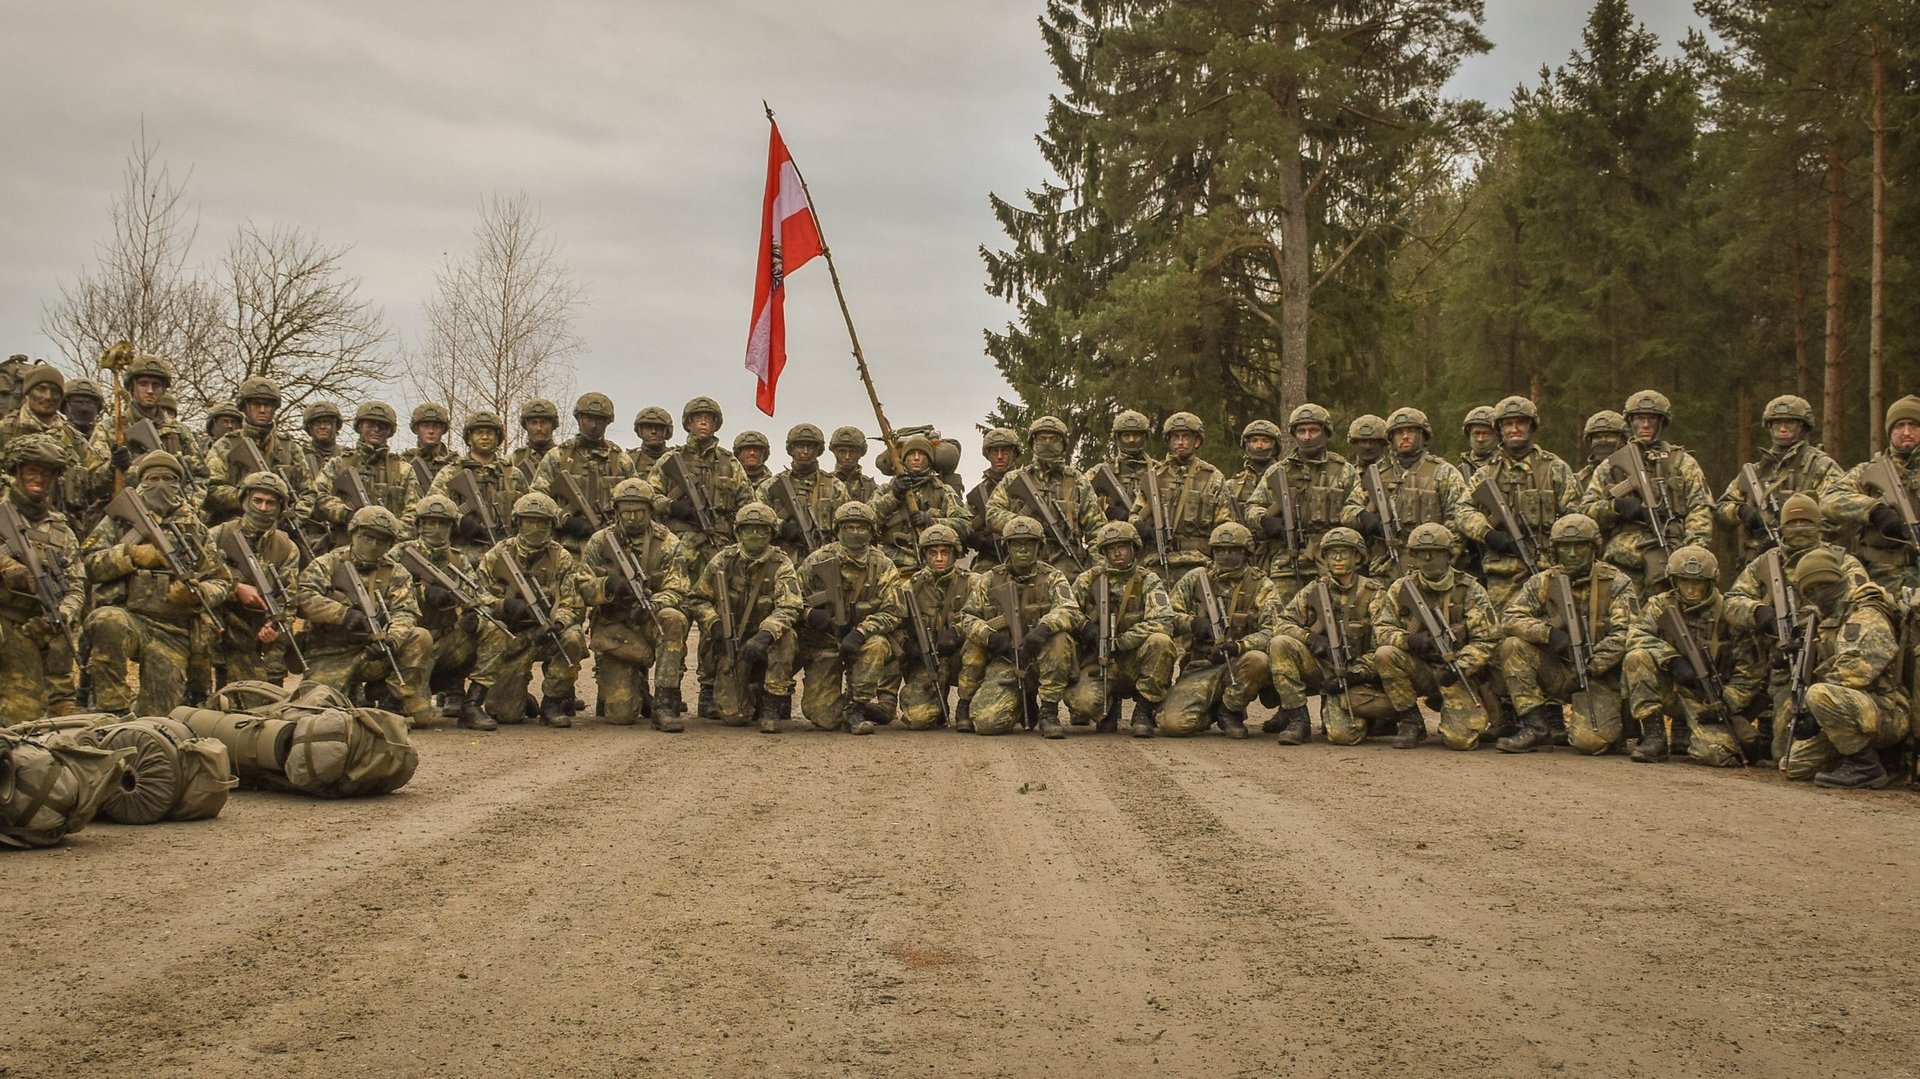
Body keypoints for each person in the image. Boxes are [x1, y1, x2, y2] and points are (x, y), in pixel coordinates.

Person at [1721, 494, 1871, 761]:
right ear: (1781, 526)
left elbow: (1862, 604)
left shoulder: (1842, 561)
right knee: (1783, 751)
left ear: (1819, 525)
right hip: (1782, 665)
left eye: (1806, 521)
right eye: (1793, 522)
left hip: (1831, 665)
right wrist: (1759, 613)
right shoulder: (1767, 563)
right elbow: (1732, 601)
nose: (1799, 527)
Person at [1493, 513, 1639, 754]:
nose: (1571, 554)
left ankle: (1616, 726)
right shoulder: (1543, 581)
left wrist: (1592, 665)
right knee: (1512, 646)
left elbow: (1626, 634)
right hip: (1558, 670)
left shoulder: (1616, 582)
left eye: (1579, 546)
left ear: (1594, 548)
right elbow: (1509, 618)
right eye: (1565, 547)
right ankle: (1536, 726)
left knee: (1590, 743)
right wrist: (1549, 634)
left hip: (1598, 677)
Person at [80, 450, 211, 717]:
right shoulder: (118, 519)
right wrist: (130, 555)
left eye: (168, 478)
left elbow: (221, 579)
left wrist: (198, 593)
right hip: (127, 615)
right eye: (153, 478)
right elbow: (87, 564)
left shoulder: (195, 527)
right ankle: (110, 709)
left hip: (171, 629)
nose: (161, 484)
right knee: (107, 621)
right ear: (141, 481)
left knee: (159, 718)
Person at [1770, 549, 1911, 789]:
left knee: (1819, 695)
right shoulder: (1825, 617)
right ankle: (1862, 756)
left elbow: (1857, 668)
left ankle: (1867, 767)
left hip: (1887, 710)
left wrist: (1812, 708)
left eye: (1824, 585)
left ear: (1838, 579)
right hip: (1850, 708)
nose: (1819, 594)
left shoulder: (1866, 610)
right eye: (1811, 591)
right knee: (1793, 764)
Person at [649, 396, 752, 719]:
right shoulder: (671, 459)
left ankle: (708, 691)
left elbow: (747, 506)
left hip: (717, 554)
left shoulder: (729, 463)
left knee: (716, 625)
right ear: (688, 423)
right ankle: (667, 694)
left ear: (716, 423)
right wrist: (672, 506)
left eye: (709, 417)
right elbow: (647, 495)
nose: (703, 422)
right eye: (697, 417)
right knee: (675, 621)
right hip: (679, 555)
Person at [293, 506, 439, 728]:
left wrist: (391, 640)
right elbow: (303, 597)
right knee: (313, 713)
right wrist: (343, 614)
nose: (373, 545)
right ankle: (353, 693)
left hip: (376, 654)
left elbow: (406, 612)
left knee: (421, 637)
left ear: (390, 544)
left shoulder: (396, 572)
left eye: (381, 541)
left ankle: (392, 699)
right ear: (353, 533)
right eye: (367, 537)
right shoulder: (327, 563)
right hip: (331, 654)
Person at [1620, 545, 1765, 766]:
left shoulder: (1728, 612)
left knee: (1716, 754)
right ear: (1674, 581)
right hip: (1669, 690)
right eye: (1684, 581)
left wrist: (1727, 701)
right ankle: (1654, 735)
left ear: (1710, 582)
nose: (1691, 589)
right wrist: (1672, 660)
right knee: (1637, 657)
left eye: (1697, 582)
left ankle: (1693, 736)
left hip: (1707, 699)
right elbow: (1636, 635)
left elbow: (1750, 670)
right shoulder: (1660, 604)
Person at [1371, 523, 1501, 750]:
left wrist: (1462, 664)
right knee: (1385, 654)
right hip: (1419, 667)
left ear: (1448, 554)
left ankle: (1448, 707)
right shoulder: (1401, 588)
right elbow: (1382, 629)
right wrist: (1408, 640)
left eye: (1435, 552)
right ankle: (1411, 721)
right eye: (1421, 553)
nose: (1428, 558)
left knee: (1461, 741)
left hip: (1457, 673)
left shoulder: (1469, 589)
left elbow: (1487, 640)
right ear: (1413, 556)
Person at [580, 478, 692, 730]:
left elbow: (678, 587)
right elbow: (582, 586)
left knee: (674, 618)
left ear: (650, 511)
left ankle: (664, 703)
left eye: (639, 512)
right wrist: (608, 586)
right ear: (617, 511)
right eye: (626, 511)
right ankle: (634, 685)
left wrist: (652, 604)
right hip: (615, 626)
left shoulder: (668, 542)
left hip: (650, 619)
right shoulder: (600, 541)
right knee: (620, 715)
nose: (632, 517)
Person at [1265, 526, 1395, 745]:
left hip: (1353, 674)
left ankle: (1378, 718)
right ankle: (1298, 718)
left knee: (1344, 736)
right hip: (1321, 667)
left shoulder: (1375, 594)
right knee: (1280, 644)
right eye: (1331, 553)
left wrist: (1356, 672)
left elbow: (1383, 644)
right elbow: (1282, 624)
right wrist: (1310, 638)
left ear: (1357, 556)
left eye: (1344, 552)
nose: (1337, 558)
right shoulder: (1313, 590)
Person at [955, 516, 1082, 737]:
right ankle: (1018, 704)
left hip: (1042, 660)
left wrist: (1043, 629)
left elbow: (1071, 610)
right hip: (1007, 660)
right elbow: (966, 617)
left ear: (1039, 547)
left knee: (1060, 639)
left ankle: (1049, 711)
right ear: (1007, 548)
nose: (1022, 550)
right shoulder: (989, 579)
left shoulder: (1053, 577)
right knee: (987, 724)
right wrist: (990, 636)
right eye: (1016, 544)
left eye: (1029, 544)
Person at [470, 493, 587, 727]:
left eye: (542, 522)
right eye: (529, 521)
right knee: (506, 715)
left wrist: (559, 623)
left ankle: (551, 704)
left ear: (552, 525)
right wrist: (504, 605)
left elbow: (572, 602)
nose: (535, 527)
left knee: (573, 637)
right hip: (511, 637)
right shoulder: (499, 553)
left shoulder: (560, 557)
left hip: (546, 632)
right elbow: (476, 596)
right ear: (518, 523)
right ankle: (521, 698)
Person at [1580, 389, 1713, 594]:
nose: (1645, 425)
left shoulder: (1682, 463)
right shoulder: (1612, 465)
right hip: (1621, 563)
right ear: (1630, 422)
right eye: (1640, 419)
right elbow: (1586, 513)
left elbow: (1700, 510)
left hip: (1669, 555)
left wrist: (1691, 555)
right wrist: (1615, 507)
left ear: (1662, 423)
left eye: (1652, 419)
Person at [687, 501, 802, 732]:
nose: (755, 534)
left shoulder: (781, 564)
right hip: (732, 638)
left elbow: (790, 607)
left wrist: (765, 634)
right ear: (738, 532)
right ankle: (713, 690)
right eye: (749, 529)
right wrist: (714, 622)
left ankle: (772, 703)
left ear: (772, 533)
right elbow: (697, 598)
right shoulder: (723, 560)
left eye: (762, 529)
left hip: (763, 641)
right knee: (735, 717)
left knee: (787, 637)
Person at [395, 493, 504, 731]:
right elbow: (382, 600)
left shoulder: (458, 559)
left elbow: (479, 597)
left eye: (443, 523)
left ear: (451, 527)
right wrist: (422, 593)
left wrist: (474, 618)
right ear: (419, 525)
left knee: (494, 630)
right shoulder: (399, 555)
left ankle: (472, 704)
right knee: (421, 718)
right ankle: (391, 698)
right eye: (430, 522)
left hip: (445, 640)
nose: (436, 528)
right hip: (410, 646)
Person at [1159, 522, 1279, 738]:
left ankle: (1229, 710)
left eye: (1233, 550)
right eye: (1220, 550)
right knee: (1172, 725)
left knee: (1259, 660)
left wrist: (1239, 646)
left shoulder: (1261, 585)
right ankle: (1210, 712)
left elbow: (1273, 630)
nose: (1225, 555)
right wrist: (1192, 623)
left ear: (1246, 553)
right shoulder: (1196, 578)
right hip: (1201, 665)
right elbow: (1165, 617)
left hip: (1238, 663)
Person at [1458, 395, 1577, 609]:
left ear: (1531, 426)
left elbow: (1575, 516)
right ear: (1500, 429)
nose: (1514, 429)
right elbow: (1462, 511)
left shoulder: (1555, 468)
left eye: (1520, 423)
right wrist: (1488, 533)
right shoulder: (1485, 473)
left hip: (1546, 568)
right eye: (1508, 424)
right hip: (1502, 574)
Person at [793, 502, 901, 734]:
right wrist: (810, 614)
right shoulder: (817, 560)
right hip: (824, 641)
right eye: (848, 527)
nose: (855, 532)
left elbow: (893, 611)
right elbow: (791, 597)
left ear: (871, 531)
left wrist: (861, 631)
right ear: (838, 529)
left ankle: (858, 705)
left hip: (862, 640)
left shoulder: (883, 565)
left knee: (878, 644)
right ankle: (850, 706)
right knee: (822, 716)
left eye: (861, 527)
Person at [0, 435, 85, 720]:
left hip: (40, 629)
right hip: (4, 622)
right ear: (17, 472)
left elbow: (76, 587)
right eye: (32, 471)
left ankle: (60, 697)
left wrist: (60, 614)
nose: (39, 478)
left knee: (39, 716)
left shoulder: (63, 531)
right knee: (18, 715)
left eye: (46, 473)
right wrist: (8, 567)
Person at [1063, 521, 1175, 734]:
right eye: (1111, 549)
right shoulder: (1089, 579)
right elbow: (1065, 611)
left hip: (1135, 660)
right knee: (1082, 702)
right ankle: (1108, 706)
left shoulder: (1148, 580)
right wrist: (1086, 627)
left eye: (1122, 547)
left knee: (1161, 641)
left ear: (1133, 549)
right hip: (1099, 661)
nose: (1117, 554)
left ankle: (1144, 709)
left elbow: (1164, 621)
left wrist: (1124, 641)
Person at [1245, 403, 1357, 606]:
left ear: (1325, 432)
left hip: (1331, 560)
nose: (1307, 436)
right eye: (1301, 431)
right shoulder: (1278, 471)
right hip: (1287, 559)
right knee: (1282, 617)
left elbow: (1356, 506)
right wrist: (1266, 520)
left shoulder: (1344, 471)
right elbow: (1253, 507)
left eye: (1313, 430)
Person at [1343, 406, 1469, 579]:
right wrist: (1365, 518)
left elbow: (1459, 517)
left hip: (1430, 566)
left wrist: (1446, 555)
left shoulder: (1443, 472)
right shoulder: (1377, 474)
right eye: (1399, 432)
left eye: (1411, 431)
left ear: (1423, 436)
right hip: (1383, 567)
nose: (1405, 436)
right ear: (1391, 438)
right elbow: (1348, 510)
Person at [202, 471, 302, 687]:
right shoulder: (217, 535)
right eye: (257, 500)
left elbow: (289, 598)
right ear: (245, 500)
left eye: (270, 503)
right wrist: (236, 588)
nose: (263, 508)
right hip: (225, 621)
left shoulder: (287, 548)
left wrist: (274, 625)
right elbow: (200, 579)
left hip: (262, 627)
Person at [1715, 394, 1841, 564]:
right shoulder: (1756, 471)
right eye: (1776, 424)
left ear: (1803, 427)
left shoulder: (1821, 466)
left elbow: (1839, 514)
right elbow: (1721, 511)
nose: (1782, 429)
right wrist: (1741, 512)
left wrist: (1794, 536)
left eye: (1789, 424)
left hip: (1810, 560)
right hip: (1760, 560)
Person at [878, 524, 974, 730]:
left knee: (984, 715)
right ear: (924, 555)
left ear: (954, 554)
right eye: (933, 553)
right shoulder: (910, 587)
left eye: (944, 552)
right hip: (926, 661)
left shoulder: (973, 583)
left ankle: (965, 706)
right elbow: (891, 623)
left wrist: (957, 632)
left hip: (963, 660)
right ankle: (937, 706)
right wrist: (907, 645)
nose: (939, 558)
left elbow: (987, 618)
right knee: (918, 719)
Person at [1820, 395, 1920, 594]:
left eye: (1914, 425)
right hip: (1879, 579)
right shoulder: (1867, 471)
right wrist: (1874, 510)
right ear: (1890, 431)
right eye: (1900, 425)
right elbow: (1829, 498)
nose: (1906, 432)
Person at [986, 416, 1103, 576]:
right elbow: (992, 513)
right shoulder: (1014, 479)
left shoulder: (1076, 480)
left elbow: (1096, 528)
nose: (1047, 442)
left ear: (1063, 444)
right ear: (1033, 442)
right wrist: (1023, 524)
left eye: (1053, 438)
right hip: (1022, 566)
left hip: (1068, 565)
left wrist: (1098, 570)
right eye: (1042, 438)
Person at [532, 392, 635, 554]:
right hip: (566, 548)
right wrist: (565, 520)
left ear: (608, 422)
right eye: (588, 419)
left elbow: (638, 501)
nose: (593, 425)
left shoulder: (621, 460)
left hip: (611, 547)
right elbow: (536, 498)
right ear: (578, 419)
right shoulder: (558, 456)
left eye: (599, 420)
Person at [1131, 412, 1231, 577]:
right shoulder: (1154, 476)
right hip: (1158, 563)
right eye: (1175, 437)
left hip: (1199, 563)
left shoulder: (1213, 477)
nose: (1180, 442)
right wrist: (1142, 527)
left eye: (1186, 437)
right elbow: (1134, 515)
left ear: (1197, 441)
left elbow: (1225, 524)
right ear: (1169, 441)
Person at [203, 376, 309, 527]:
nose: (262, 410)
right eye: (256, 404)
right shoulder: (226, 445)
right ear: (244, 407)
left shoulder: (289, 447)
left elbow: (309, 492)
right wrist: (247, 497)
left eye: (267, 405)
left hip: (280, 527)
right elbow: (209, 490)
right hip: (234, 526)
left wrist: (296, 514)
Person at [429, 410, 523, 564]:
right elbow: (431, 508)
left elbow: (527, 513)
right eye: (479, 433)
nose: (485, 437)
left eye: (490, 433)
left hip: (504, 557)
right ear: (469, 438)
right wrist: (460, 521)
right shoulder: (451, 472)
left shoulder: (512, 474)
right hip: (460, 557)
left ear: (498, 438)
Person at [315, 401, 422, 533]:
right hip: (345, 540)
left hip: (389, 543)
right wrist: (346, 514)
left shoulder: (403, 470)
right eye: (370, 424)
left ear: (389, 431)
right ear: (360, 426)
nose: (376, 429)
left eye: (382, 426)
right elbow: (319, 494)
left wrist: (391, 532)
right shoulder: (338, 464)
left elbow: (414, 512)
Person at [869, 434, 968, 572]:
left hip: (933, 567)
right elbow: (867, 521)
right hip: (892, 568)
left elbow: (964, 526)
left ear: (929, 459)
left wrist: (932, 521)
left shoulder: (942, 491)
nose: (916, 458)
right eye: (911, 454)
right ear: (903, 460)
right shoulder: (886, 490)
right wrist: (893, 496)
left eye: (921, 454)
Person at [761, 423, 848, 563]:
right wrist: (781, 527)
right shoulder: (771, 485)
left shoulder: (835, 486)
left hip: (824, 558)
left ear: (818, 450)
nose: (806, 451)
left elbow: (848, 525)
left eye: (811, 447)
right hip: (780, 561)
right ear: (791, 449)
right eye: (800, 446)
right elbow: (755, 518)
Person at [964, 427, 1020, 571]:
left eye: (1005, 451)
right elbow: (964, 524)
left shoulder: (1029, 484)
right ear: (988, 455)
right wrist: (976, 538)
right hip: (991, 558)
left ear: (1014, 454)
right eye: (995, 452)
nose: (1000, 456)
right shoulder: (979, 493)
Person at [401, 402, 457, 489]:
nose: (431, 431)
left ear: (443, 429)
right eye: (425, 426)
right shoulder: (405, 461)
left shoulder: (455, 462)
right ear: (416, 429)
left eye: (436, 426)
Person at [511, 397, 560, 487]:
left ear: (553, 425)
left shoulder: (564, 457)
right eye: (534, 423)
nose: (539, 428)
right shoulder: (513, 459)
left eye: (544, 423)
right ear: (526, 426)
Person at [828, 425, 878, 503]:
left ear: (860, 453)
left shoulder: (870, 486)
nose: (847, 456)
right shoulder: (825, 483)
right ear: (834, 452)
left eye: (852, 452)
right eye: (842, 451)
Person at [629, 405, 674, 476]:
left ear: (666, 431)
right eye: (647, 428)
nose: (653, 431)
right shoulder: (629, 459)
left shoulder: (677, 458)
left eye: (658, 428)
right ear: (640, 431)